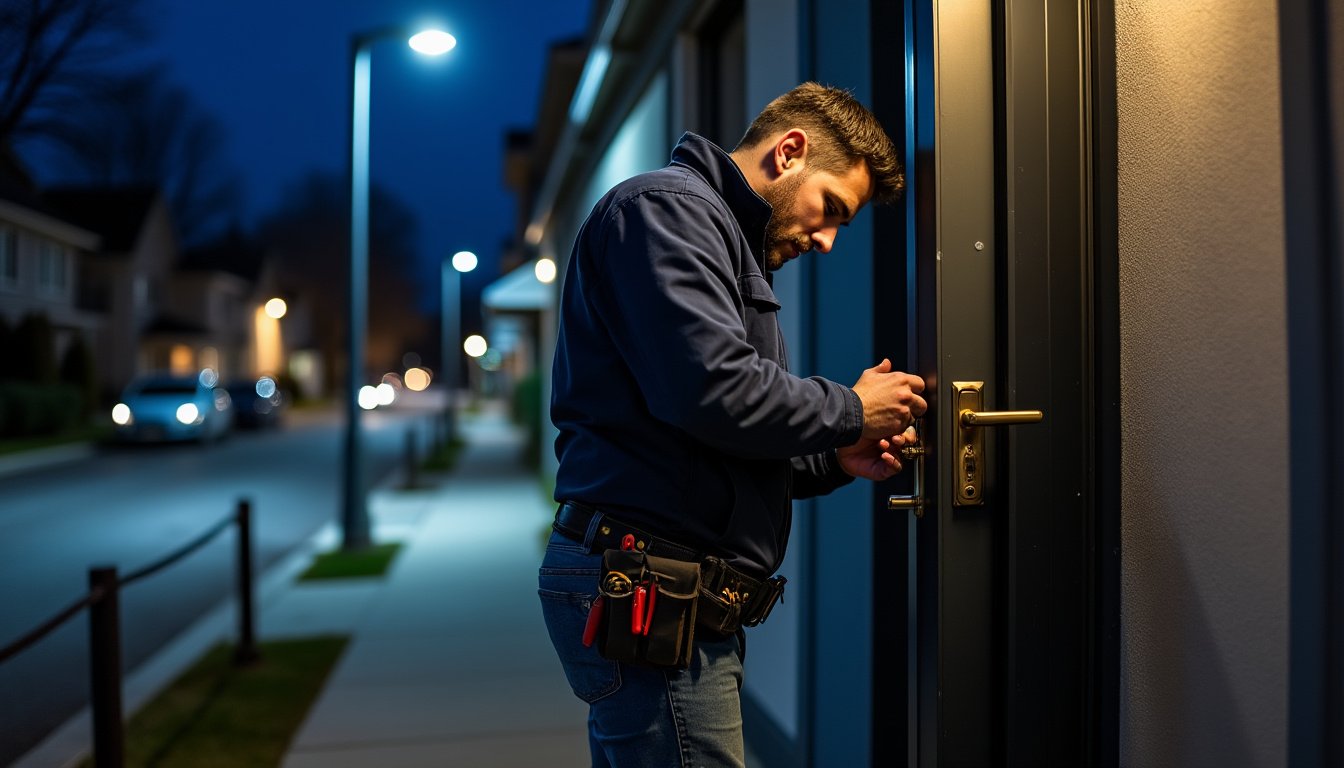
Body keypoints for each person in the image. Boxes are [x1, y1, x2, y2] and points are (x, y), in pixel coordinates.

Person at [538, 82, 927, 767]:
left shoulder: (710, 232)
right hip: (651, 587)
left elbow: (712, 441)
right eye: (831, 209)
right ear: (790, 151)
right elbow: (713, 392)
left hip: (665, 590)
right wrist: (851, 409)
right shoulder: (667, 211)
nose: (828, 240)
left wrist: (835, 456)